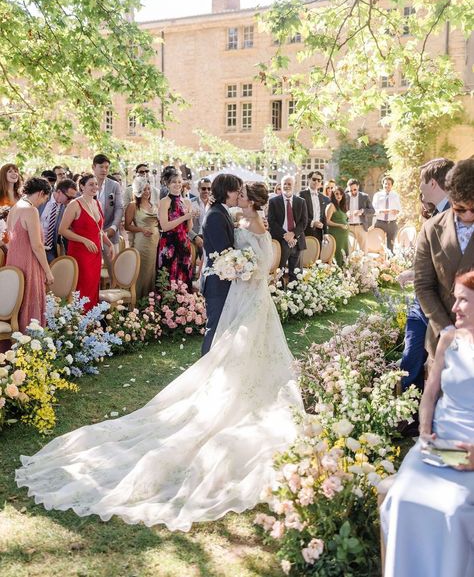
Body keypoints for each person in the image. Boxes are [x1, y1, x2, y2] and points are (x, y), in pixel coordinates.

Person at [15, 182, 304, 533]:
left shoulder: (253, 224)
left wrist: (240, 268)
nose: (239, 197)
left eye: (244, 195)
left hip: (250, 295)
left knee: (246, 346)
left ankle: (243, 390)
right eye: (238, 193)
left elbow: (260, 264)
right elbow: (232, 255)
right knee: (232, 347)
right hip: (241, 294)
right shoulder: (237, 221)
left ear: (252, 201)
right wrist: (233, 267)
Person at [381, 270, 474, 577]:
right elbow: (430, 394)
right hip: (438, 441)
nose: (455, 307)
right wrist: (424, 434)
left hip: (470, 453)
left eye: (463, 300)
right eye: (455, 298)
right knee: (401, 497)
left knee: (452, 510)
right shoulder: (448, 339)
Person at [399, 158, 454, 393]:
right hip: (421, 302)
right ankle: (407, 413)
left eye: (422, 182)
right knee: (411, 356)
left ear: (432, 183)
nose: (419, 187)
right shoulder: (436, 213)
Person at [415, 158, 474, 360]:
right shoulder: (431, 229)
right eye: (460, 208)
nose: (467, 215)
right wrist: (446, 329)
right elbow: (423, 285)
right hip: (443, 341)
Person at [59, 174, 114, 312]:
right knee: (82, 286)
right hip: (80, 253)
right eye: (91, 184)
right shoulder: (74, 204)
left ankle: (92, 321)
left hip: (95, 253)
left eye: (96, 184)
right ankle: (79, 321)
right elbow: (62, 230)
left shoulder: (98, 203)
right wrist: (84, 240)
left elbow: (99, 230)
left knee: (93, 286)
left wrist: (109, 244)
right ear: (82, 186)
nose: (95, 187)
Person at [6, 177, 54, 332]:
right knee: (29, 300)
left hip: (13, 261)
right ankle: (30, 346)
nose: (43, 202)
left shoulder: (15, 207)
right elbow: (37, 246)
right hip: (28, 263)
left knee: (15, 303)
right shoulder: (30, 209)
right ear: (41, 193)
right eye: (45, 198)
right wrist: (48, 271)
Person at [201, 173, 241, 355]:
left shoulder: (221, 211)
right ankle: (204, 367)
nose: (239, 195)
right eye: (236, 191)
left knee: (222, 326)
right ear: (226, 191)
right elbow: (223, 251)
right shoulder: (215, 215)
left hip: (223, 278)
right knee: (215, 326)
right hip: (217, 280)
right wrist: (244, 261)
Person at [157, 167, 193, 291]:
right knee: (168, 278)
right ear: (168, 184)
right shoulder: (164, 201)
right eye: (174, 182)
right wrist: (184, 217)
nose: (177, 184)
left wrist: (190, 217)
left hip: (184, 243)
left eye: (179, 181)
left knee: (184, 277)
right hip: (169, 244)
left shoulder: (187, 202)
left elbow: (189, 227)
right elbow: (165, 226)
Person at [124, 176, 160, 299]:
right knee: (142, 271)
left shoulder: (154, 205)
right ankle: (138, 299)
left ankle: (150, 300)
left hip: (155, 242)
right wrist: (141, 229)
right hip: (142, 242)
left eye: (149, 189)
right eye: (144, 190)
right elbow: (127, 226)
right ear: (138, 191)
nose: (147, 192)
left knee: (152, 271)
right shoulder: (133, 205)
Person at [267, 175, 308, 282]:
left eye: (289, 184)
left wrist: (293, 234)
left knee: (296, 273)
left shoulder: (301, 201)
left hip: (297, 240)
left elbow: (304, 222)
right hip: (281, 240)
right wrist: (286, 235)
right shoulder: (273, 201)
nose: (286, 186)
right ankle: (279, 295)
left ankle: (295, 295)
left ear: (294, 185)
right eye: (284, 183)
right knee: (279, 271)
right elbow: (272, 221)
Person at [92, 153, 124, 278]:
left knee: (114, 268)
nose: (104, 170)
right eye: (101, 167)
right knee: (92, 269)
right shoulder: (87, 183)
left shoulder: (114, 185)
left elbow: (119, 207)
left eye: (107, 167)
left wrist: (113, 228)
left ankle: (116, 292)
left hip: (109, 232)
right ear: (94, 167)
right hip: (91, 234)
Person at [39, 179, 78, 263]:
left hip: (50, 248)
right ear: (59, 192)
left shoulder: (67, 208)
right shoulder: (41, 198)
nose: (71, 201)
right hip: (33, 244)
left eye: (73, 198)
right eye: (69, 198)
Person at [299, 170, 330, 246]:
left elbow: (323, 216)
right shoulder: (301, 194)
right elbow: (299, 215)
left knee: (317, 256)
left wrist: (325, 233)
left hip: (319, 232)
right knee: (305, 256)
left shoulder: (323, 198)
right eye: (314, 179)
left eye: (319, 180)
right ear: (309, 179)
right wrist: (313, 223)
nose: (316, 182)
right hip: (305, 231)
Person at [372, 176, 401, 252]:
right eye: (385, 184)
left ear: (392, 185)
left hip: (392, 224)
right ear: (383, 184)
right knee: (378, 246)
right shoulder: (377, 195)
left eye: (389, 184)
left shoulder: (395, 195)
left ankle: (389, 263)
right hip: (380, 223)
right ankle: (379, 263)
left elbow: (399, 209)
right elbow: (373, 209)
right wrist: (382, 211)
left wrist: (396, 211)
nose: (387, 186)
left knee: (390, 247)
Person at [346, 178, 374, 253]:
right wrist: (346, 213)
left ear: (358, 187)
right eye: (350, 190)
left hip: (361, 226)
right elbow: (340, 210)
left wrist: (362, 211)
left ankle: (364, 265)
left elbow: (372, 211)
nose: (353, 192)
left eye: (354, 189)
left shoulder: (364, 196)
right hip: (349, 227)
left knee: (363, 250)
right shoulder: (345, 197)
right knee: (349, 250)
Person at [326, 187, 349, 265]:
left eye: (341, 194)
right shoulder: (331, 205)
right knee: (338, 256)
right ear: (333, 195)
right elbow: (327, 221)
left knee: (345, 256)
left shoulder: (342, 206)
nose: (339, 196)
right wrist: (340, 225)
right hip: (336, 236)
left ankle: (344, 275)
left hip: (344, 236)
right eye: (336, 194)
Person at [0, 163, 22, 244]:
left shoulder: (22, 196)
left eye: (16, 171)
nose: (14, 173)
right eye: (10, 171)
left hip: (20, 237)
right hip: (3, 239)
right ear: (3, 175)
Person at [189, 178, 211, 254]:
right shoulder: (191, 203)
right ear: (198, 189)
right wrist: (194, 237)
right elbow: (184, 224)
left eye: (209, 188)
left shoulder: (214, 203)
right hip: (196, 239)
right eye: (204, 188)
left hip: (210, 238)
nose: (207, 191)